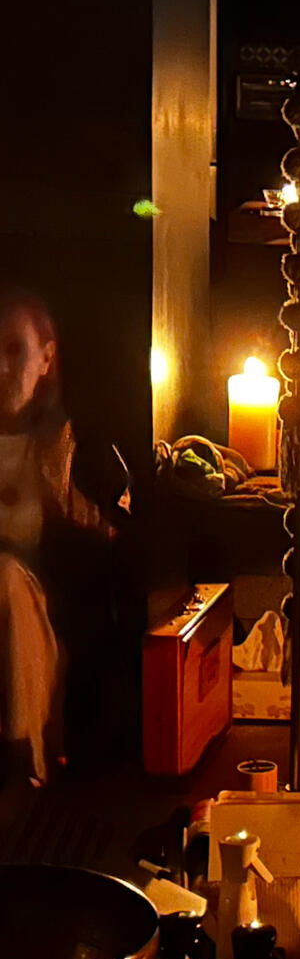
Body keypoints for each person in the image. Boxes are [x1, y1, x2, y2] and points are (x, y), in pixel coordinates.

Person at [0, 289, 116, 784]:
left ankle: (20, 756)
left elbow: (95, 533)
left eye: (14, 351)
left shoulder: (59, 446)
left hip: (25, 606)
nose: (1, 368)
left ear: (45, 357)